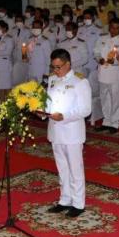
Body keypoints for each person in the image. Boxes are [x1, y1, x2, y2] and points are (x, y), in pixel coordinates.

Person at [46, 49, 92, 218]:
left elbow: (86, 110)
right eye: (53, 67)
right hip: (55, 131)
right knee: (62, 168)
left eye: (59, 67)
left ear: (68, 64)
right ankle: (64, 199)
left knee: (75, 168)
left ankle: (78, 203)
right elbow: (48, 102)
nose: (56, 71)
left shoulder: (80, 82)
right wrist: (42, 111)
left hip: (72, 132)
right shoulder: (51, 79)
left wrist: (64, 116)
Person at [94, 18, 119, 133]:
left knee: (115, 99)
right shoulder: (102, 37)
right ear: (109, 27)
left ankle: (114, 123)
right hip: (102, 72)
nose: (114, 30)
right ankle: (106, 121)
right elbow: (96, 51)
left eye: (117, 28)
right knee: (104, 98)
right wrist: (99, 59)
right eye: (112, 27)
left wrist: (114, 62)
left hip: (115, 74)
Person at [78, 9, 101, 76]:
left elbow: (99, 47)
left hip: (93, 61)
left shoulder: (98, 30)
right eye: (85, 18)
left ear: (93, 18)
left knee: (92, 82)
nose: (86, 19)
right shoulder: (79, 29)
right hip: (81, 60)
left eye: (88, 18)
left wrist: (98, 62)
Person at [11, 14, 31, 85]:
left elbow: (29, 44)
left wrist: (27, 56)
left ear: (23, 21)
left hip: (24, 55)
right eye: (17, 21)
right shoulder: (13, 30)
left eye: (20, 20)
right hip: (15, 54)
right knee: (15, 75)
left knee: (24, 74)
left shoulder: (27, 31)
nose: (18, 22)